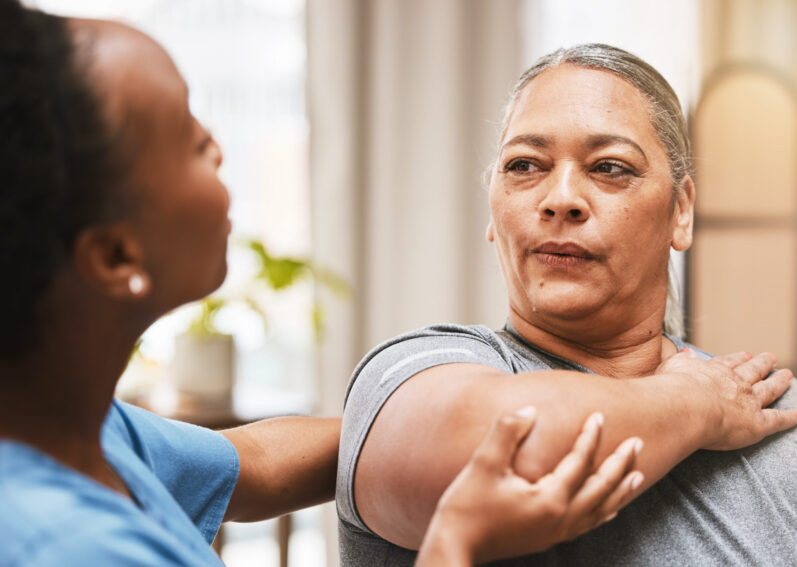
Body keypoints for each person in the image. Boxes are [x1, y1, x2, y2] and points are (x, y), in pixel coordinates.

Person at [0, 4, 654, 565]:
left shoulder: (89, 431)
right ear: (116, 256)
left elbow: (252, 459)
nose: (218, 145)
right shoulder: (68, 544)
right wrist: (457, 539)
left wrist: (411, 418)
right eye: (187, 138)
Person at [337, 43, 797, 566]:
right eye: (524, 165)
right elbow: (509, 457)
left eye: (609, 167)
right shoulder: (408, 375)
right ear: (492, 208)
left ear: (681, 211)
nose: (561, 198)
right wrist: (697, 401)